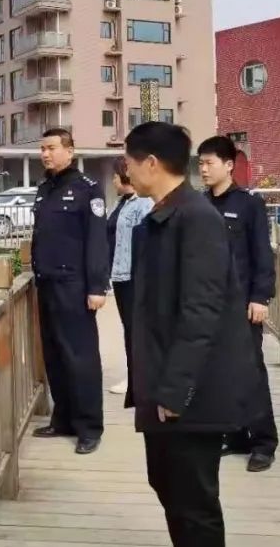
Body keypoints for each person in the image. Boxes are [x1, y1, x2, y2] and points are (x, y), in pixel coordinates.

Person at [123, 122, 260, 546]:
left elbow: (202, 311)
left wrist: (175, 390)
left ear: (150, 163)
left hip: (189, 394)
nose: (125, 171)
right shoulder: (165, 215)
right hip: (166, 382)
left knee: (194, 501)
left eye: (128, 161)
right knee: (169, 486)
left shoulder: (196, 219)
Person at [197, 135, 278, 472]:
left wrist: (260, 297)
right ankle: (235, 434)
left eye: (209, 163)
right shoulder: (200, 205)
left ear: (229, 165)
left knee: (250, 373)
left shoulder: (248, 204)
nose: (202, 169)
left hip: (242, 305)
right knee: (220, 374)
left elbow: (262, 254)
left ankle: (263, 442)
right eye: (199, 163)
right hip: (208, 306)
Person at [30, 127, 109, 455]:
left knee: (81, 358)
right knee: (55, 356)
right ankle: (62, 418)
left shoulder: (87, 190)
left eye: (51, 148)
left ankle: (89, 426)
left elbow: (96, 242)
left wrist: (97, 286)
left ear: (70, 151)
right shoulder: (45, 188)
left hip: (74, 286)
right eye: (43, 149)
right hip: (46, 284)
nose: (45, 154)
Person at [107, 157, 153, 395]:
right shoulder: (122, 203)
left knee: (137, 330)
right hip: (120, 275)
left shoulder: (143, 203)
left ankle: (139, 381)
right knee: (129, 328)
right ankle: (134, 377)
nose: (113, 180)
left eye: (115, 176)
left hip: (135, 276)